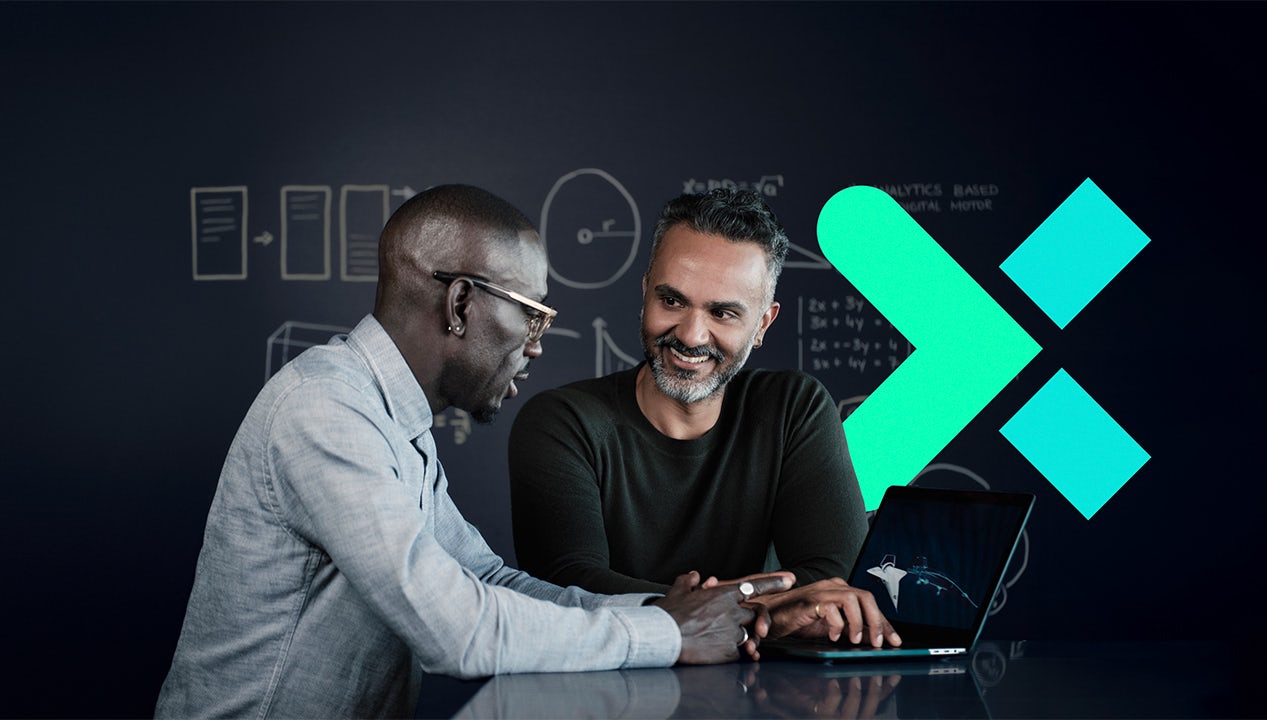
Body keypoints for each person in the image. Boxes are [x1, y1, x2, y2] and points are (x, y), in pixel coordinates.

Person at [156, 184, 792, 718]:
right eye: (532, 316)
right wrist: (667, 633)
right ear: (460, 303)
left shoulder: (392, 424)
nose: (537, 345)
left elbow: (486, 579)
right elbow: (456, 629)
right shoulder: (324, 411)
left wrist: (668, 610)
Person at [509, 188, 901, 648]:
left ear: (762, 325)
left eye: (722, 313)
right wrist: (765, 612)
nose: (691, 335)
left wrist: (723, 614)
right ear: (644, 293)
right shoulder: (563, 423)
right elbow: (568, 587)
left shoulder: (793, 408)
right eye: (672, 302)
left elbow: (835, 585)